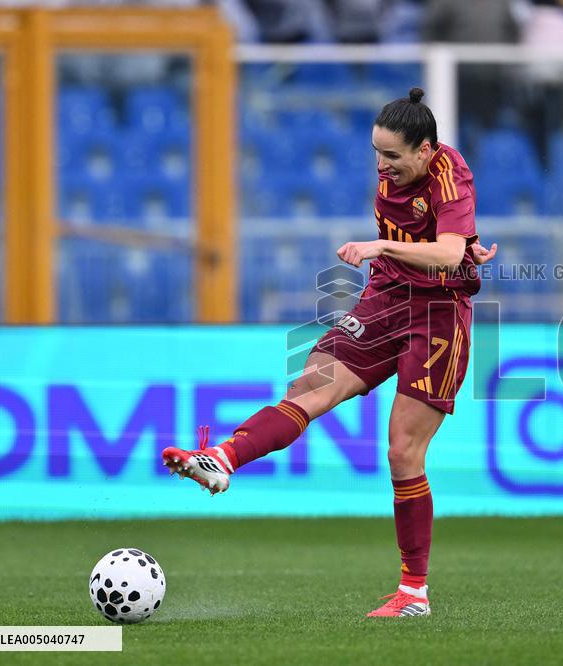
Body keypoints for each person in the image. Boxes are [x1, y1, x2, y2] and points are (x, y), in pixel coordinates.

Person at [163, 88, 497, 618]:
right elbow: (446, 238)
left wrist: (383, 246)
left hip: (437, 313)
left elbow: (450, 254)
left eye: (391, 156)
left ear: (426, 150)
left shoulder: (451, 174)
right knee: (307, 389)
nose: (381, 167)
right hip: (384, 299)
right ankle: (222, 459)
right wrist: (441, 244)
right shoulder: (400, 174)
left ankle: (413, 593)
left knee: (402, 452)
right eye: (375, 154)